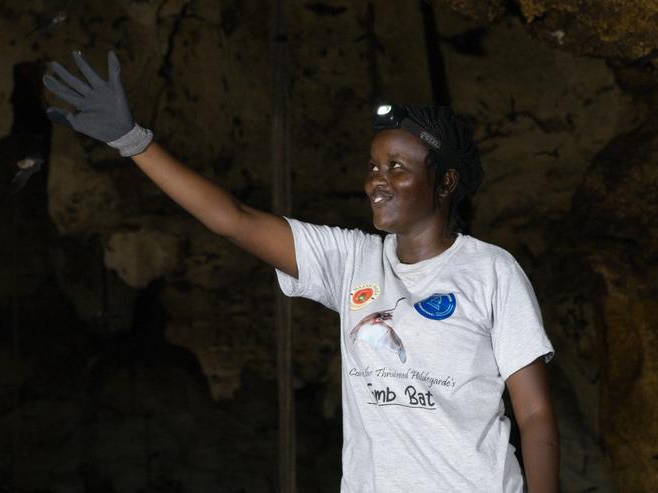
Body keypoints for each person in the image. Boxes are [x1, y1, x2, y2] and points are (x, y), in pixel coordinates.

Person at [43, 50, 560, 492]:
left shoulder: (491, 271)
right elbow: (234, 220)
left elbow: (534, 415)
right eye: (374, 166)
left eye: (397, 168)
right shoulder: (354, 260)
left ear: (446, 183)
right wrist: (134, 141)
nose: (376, 182)